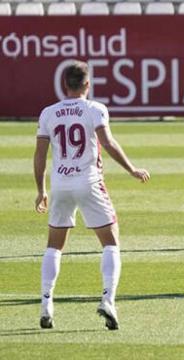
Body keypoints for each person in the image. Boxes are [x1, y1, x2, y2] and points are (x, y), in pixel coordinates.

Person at [34, 61, 150, 330]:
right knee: (110, 242)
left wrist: (41, 190)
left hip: (61, 184)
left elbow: (40, 154)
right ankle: (108, 300)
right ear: (88, 84)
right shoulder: (95, 109)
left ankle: (46, 305)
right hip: (89, 182)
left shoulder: (48, 113)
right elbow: (107, 142)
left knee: (54, 245)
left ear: (65, 84)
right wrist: (132, 169)